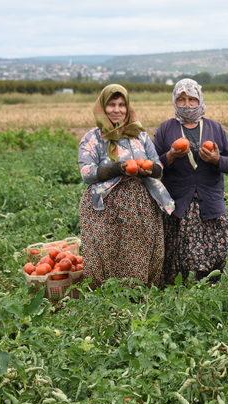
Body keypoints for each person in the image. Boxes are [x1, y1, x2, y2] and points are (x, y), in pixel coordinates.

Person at [78, 84, 175, 287]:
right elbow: (87, 174)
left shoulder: (139, 135)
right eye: (111, 104)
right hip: (105, 206)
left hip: (141, 204)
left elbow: (158, 166)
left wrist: (147, 169)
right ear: (102, 108)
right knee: (107, 249)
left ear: (128, 107)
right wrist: (117, 168)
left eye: (122, 104)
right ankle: (109, 296)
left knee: (140, 248)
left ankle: (139, 295)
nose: (117, 109)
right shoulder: (92, 138)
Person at [153, 79, 228, 283]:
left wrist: (217, 160)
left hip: (209, 202)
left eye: (192, 99)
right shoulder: (166, 129)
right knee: (175, 256)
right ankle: (175, 296)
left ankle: (208, 292)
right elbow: (153, 166)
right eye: (181, 100)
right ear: (175, 101)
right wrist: (171, 156)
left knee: (214, 254)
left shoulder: (214, 128)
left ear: (199, 100)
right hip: (178, 203)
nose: (187, 105)